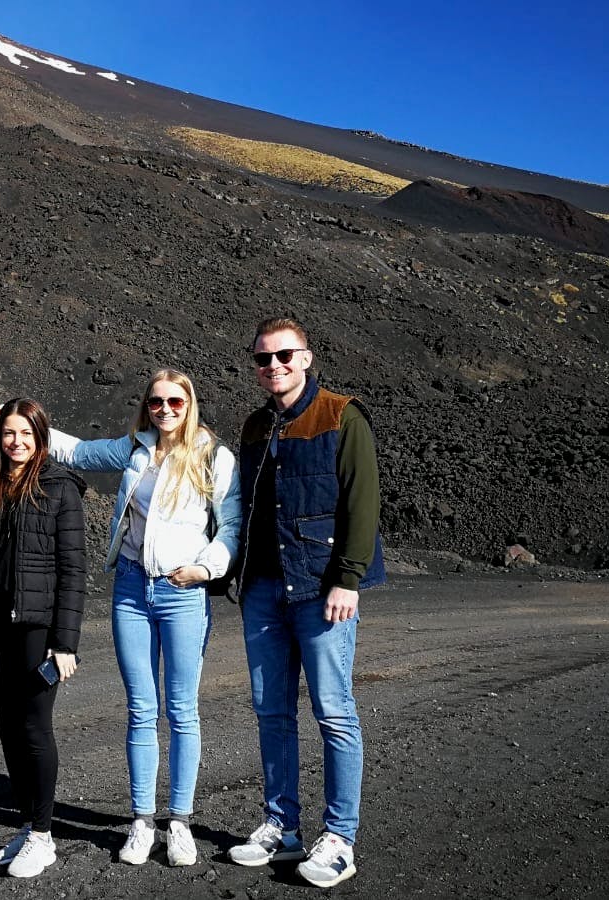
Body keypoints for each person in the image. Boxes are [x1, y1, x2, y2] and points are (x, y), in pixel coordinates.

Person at [45, 369, 239, 867]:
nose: (166, 410)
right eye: (156, 402)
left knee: (182, 709)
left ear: (190, 402)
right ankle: (140, 821)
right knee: (140, 709)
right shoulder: (135, 447)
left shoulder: (213, 456)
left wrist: (204, 568)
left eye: (175, 401)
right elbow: (79, 452)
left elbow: (232, 527)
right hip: (131, 588)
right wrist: (26, 420)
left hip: (182, 592)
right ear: (146, 406)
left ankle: (179, 821)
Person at [225, 318, 384, 889]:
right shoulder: (254, 427)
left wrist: (348, 578)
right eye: (263, 359)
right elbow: (241, 507)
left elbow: (362, 503)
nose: (274, 366)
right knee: (272, 712)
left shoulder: (342, 416)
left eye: (284, 356)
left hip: (322, 589)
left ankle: (339, 838)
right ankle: (281, 826)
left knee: (334, 712)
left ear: (307, 358)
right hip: (264, 589)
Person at [0, 398, 87, 878]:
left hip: (39, 627)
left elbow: (73, 569)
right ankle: (27, 825)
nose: (17, 443)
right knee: (8, 727)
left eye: (26, 435)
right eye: (9, 433)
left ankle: (43, 835)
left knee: (34, 727)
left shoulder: (59, 488)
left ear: (42, 438)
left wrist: (66, 641)